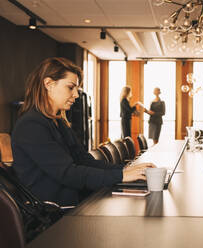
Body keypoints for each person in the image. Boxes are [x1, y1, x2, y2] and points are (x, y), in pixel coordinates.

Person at [11, 57, 154, 206]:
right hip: (57, 214)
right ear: (48, 84)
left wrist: (126, 169)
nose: (76, 95)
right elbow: (68, 173)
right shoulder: (31, 125)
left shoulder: (58, 122)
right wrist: (121, 175)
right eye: (70, 87)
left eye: (77, 89)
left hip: (77, 201)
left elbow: (84, 161)